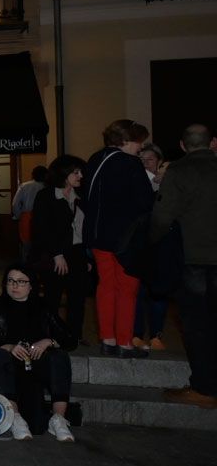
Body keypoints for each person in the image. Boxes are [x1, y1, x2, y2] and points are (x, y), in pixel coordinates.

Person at [151, 124, 217, 408]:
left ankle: (204, 388)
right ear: (213, 143)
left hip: (194, 259)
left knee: (197, 325)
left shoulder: (179, 172)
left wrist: (152, 245)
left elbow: (162, 217)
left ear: (181, 145)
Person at [0, 265, 77, 441]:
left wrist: (48, 342)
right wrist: (9, 346)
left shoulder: (43, 307)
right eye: (11, 281)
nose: (15, 285)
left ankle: (59, 419)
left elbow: (70, 339)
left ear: (31, 286)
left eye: (21, 282)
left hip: (35, 366)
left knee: (59, 356)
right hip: (9, 367)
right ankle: (14, 417)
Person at [82, 119, 154, 359]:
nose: (140, 148)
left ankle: (107, 339)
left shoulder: (95, 160)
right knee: (127, 289)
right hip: (126, 239)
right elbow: (145, 202)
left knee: (105, 286)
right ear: (124, 140)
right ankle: (124, 342)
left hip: (97, 236)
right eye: (138, 142)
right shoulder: (130, 164)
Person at [29, 154, 90, 345]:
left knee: (78, 298)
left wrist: (87, 256)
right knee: (52, 297)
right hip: (53, 254)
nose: (80, 176)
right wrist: (57, 254)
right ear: (63, 174)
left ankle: (73, 336)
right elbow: (41, 228)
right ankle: (49, 336)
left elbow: (82, 229)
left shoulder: (80, 196)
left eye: (81, 172)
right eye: (76, 172)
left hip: (77, 253)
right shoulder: (46, 196)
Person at [133, 142, 170, 350]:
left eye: (150, 160)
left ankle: (156, 334)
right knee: (138, 292)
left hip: (162, 246)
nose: (146, 163)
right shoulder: (135, 185)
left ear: (159, 162)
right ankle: (136, 333)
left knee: (158, 292)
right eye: (142, 160)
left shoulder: (168, 185)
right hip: (140, 245)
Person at [12, 165, 48, 262]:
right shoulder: (48, 187)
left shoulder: (24, 186)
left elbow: (15, 204)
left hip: (26, 218)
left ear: (33, 175)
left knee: (26, 247)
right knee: (42, 246)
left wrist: (19, 215)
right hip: (45, 218)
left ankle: (26, 269)